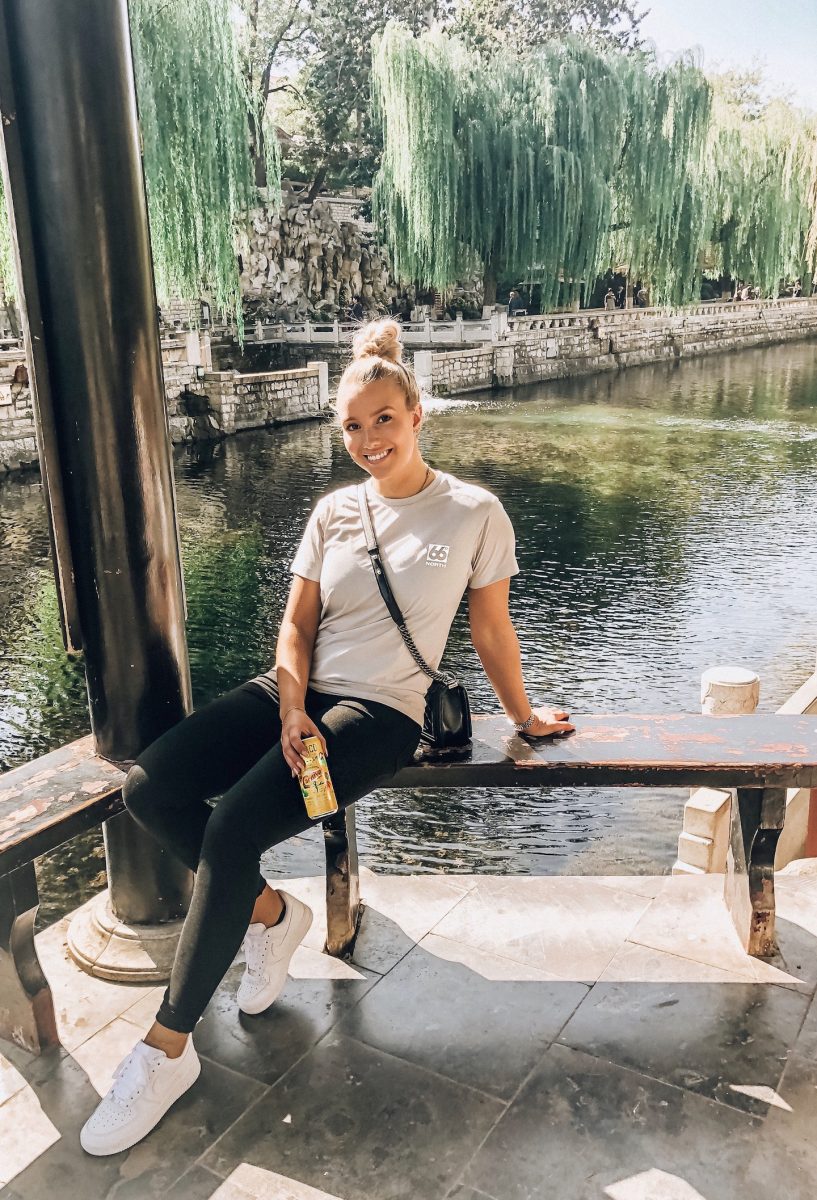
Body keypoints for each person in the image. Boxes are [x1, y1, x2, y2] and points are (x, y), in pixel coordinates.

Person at [78, 319, 574, 1157]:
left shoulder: (472, 512)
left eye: (383, 419)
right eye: (351, 426)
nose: (368, 439)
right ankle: (270, 914)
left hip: (381, 714)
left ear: (416, 414)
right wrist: (289, 708)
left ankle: (165, 1050)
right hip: (297, 694)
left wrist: (523, 716)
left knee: (234, 827)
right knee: (149, 788)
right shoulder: (333, 511)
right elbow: (297, 625)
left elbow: (491, 629)